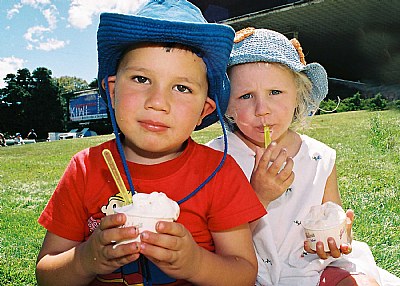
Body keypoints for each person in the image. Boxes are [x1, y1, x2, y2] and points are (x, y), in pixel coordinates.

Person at [35, 2, 266, 286]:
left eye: (182, 88)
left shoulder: (219, 172)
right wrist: (86, 258)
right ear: (113, 91)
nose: (157, 102)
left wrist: (196, 264)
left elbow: (243, 272)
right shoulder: (85, 169)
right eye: (141, 79)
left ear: (203, 111)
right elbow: (47, 274)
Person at [207, 28, 384, 285]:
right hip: (247, 272)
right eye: (245, 96)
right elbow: (215, 242)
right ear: (228, 106)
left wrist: (337, 236)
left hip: (310, 267)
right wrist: (259, 196)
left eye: (275, 93)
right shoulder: (217, 158)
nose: (262, 110)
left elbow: (328, 217)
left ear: (298, 96)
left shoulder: (319, 158)